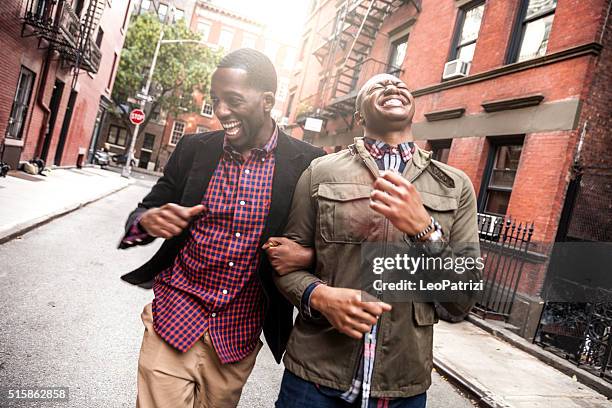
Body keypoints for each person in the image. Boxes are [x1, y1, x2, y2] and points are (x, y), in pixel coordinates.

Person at [118, 48, 324, 408]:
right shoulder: (194, 149)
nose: (221, 112)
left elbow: (327, 241)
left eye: (233, 100)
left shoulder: (308, 163)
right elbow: (142, 215)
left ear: (266, 101)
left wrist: (308, 255)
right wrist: (146, 222)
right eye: (216, 100)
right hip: (174, 316)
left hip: (236, 336)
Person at [267, 73, 481, 408]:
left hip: (401, 389)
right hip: (314, 380)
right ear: (359, 116)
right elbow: (283, 263)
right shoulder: (321, 172)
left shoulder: (455, 185)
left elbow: (463, 298)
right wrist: (319, 296)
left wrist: (425, 229)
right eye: (378, 86)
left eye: (401, 86)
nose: (394, 88)